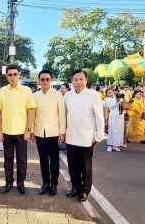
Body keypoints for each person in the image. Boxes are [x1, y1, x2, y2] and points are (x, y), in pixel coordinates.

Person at [0, 64, 36, 195]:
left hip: (22, 132)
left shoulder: (26, 90)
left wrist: (28, 130)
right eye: (10, 74)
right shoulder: (1, 91)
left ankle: (21, 183)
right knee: (8, 159)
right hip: (6, 132)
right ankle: (8, 182)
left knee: (22, 159)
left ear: (19, 74)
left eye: (15, 74)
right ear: (6, 76)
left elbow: (30, 111)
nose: (12, 77)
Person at [64, 69, 104, 202]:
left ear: (86, 80)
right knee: (72, 165)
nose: (78, 82)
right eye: (75, 79)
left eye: (81, 79)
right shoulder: (67, 96)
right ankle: (75, 187)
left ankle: (85, 191)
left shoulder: (93, 96)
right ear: (72, 81)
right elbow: (65, 115)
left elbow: (99, 117)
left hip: (86, 138)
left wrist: (99, 135)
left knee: (85, 167)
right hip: (71, 137)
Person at [31, 70, 66, 196]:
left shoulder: (57, 95)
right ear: (39, 81)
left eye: (47, 79)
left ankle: (54, 184)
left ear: (51, 80)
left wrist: (62, 132)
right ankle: (45, 183)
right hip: (40, 133)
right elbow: (33, 115)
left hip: (54, 133)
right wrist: (32, 131)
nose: (45, 81)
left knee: (54, 160)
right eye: (42, 79)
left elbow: (61, 115)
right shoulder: (34, 96)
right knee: (43, 160)